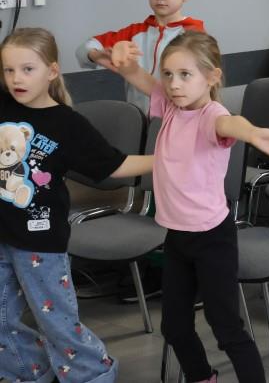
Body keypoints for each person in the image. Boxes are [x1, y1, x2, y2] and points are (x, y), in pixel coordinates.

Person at [111, 31, 269, 383]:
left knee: (225, 326)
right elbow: (138, 76)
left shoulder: (212, 115)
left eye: (185, 75)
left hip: (213, 239)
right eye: (168, 74)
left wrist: (252, 133)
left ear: (212, 77)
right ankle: (202, 377)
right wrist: (122, 59)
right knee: (174, 327)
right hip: (177, 237)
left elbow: (230, 124)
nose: (174, 84)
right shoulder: (171, 106)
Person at [0, 28, 155, 383]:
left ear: (52, 71)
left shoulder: (68, 124)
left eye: (27, 69)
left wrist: (166, 160)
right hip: (1, 234)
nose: (16, 79)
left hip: (40, 242)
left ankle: (93, 375)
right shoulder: (4, 104)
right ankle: (34, 372)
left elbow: (114, 165)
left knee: (57, 322)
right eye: (9, 70)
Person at [77, 0, 204, 112]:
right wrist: (96, 55)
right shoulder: (134, 32)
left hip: (180, 119)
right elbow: (83, 49)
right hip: (138, 119)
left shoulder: (194, 34)